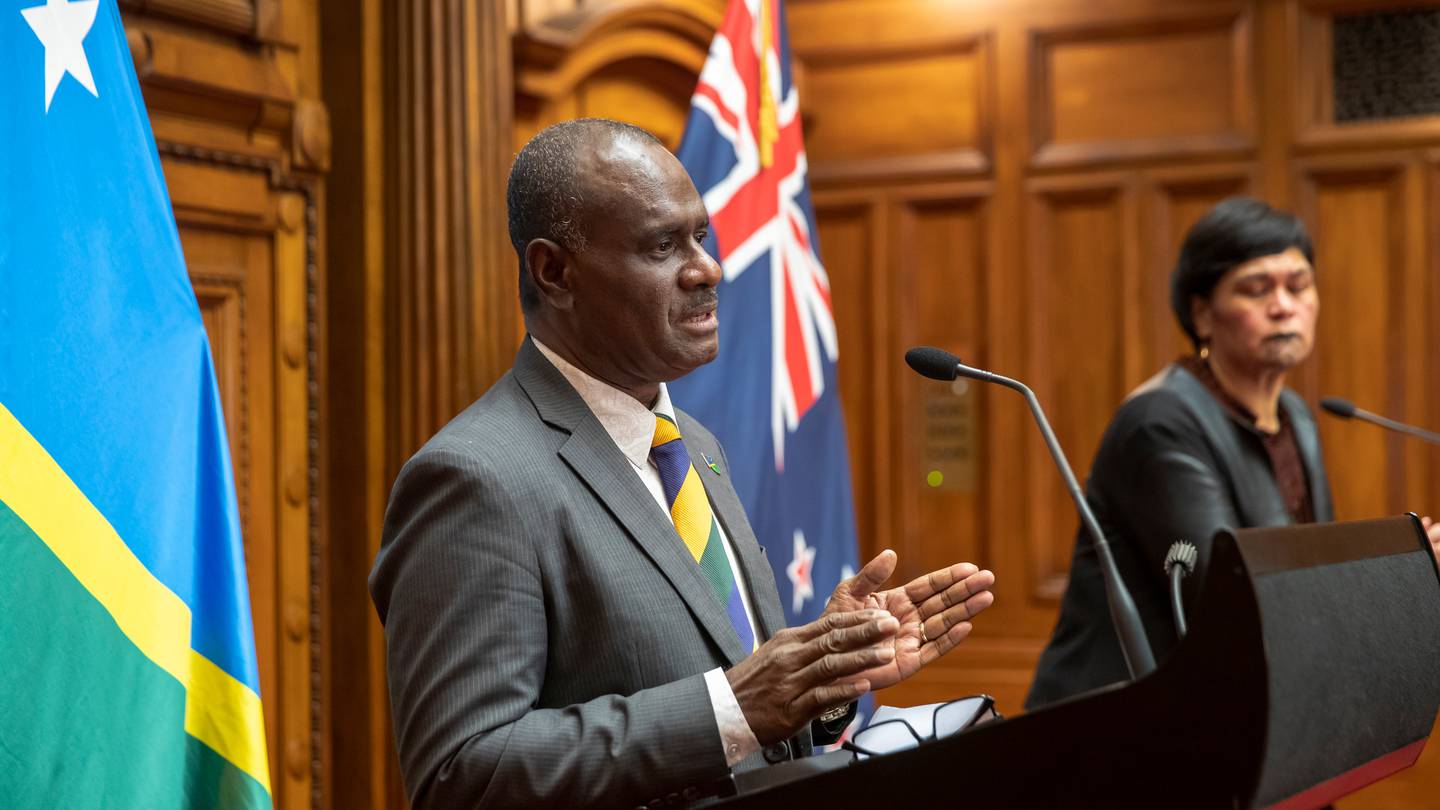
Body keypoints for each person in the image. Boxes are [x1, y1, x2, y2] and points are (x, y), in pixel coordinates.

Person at [369, 118, 997, 809]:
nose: (707, 268)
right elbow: (463, 775)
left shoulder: (693, 444)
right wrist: (731, 705)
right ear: (555, 272)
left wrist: (825, 678)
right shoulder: (474, 478)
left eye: (700, 235)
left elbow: (745, 719)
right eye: (662, 245)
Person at [1026, 196, 1440, 709]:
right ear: (1202, 314)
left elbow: (1305, 571)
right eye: (1256, 289)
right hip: (1119, 732)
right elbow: (1232, 605)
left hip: (1237, 711)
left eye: (1299, 285)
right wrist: (1394, 584)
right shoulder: (1159, 423)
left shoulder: (1296, 418)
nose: (1284, 305)